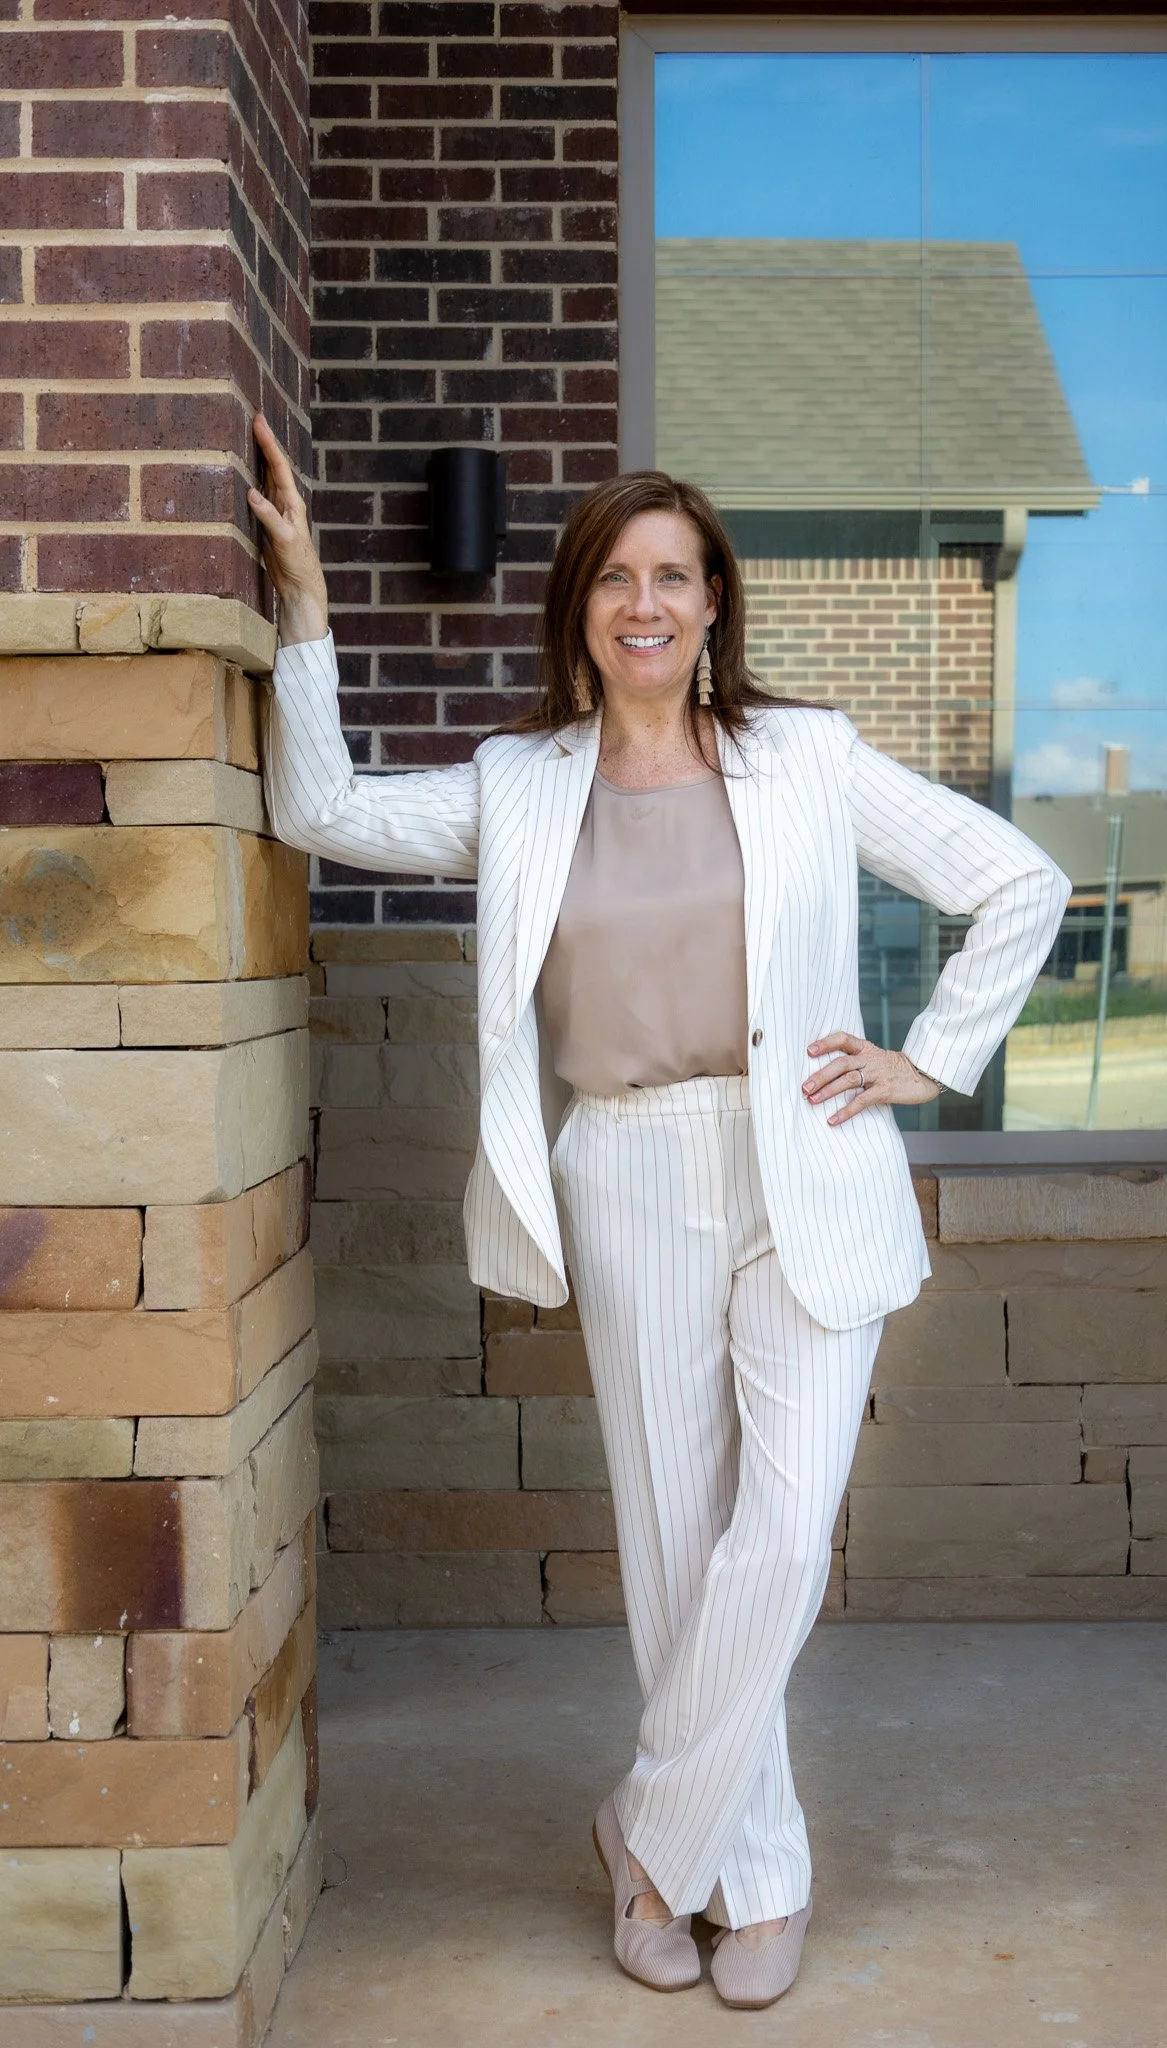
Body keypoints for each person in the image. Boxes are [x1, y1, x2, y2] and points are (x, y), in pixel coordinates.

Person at [249, 410, 1069, 2010]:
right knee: (677, 1549)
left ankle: (650, 1834)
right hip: (622, 1174)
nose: (645, 601)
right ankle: (750, 1881)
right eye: (615, 576)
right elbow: (322, 809)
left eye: (674, 576)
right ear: (581, 608)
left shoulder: (807, 758)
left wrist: (933, 1057)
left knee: (778, 1535)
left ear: (713, 606)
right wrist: (305, 606)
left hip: (805, 1173)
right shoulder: (519, 784)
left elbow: (1016, 881)